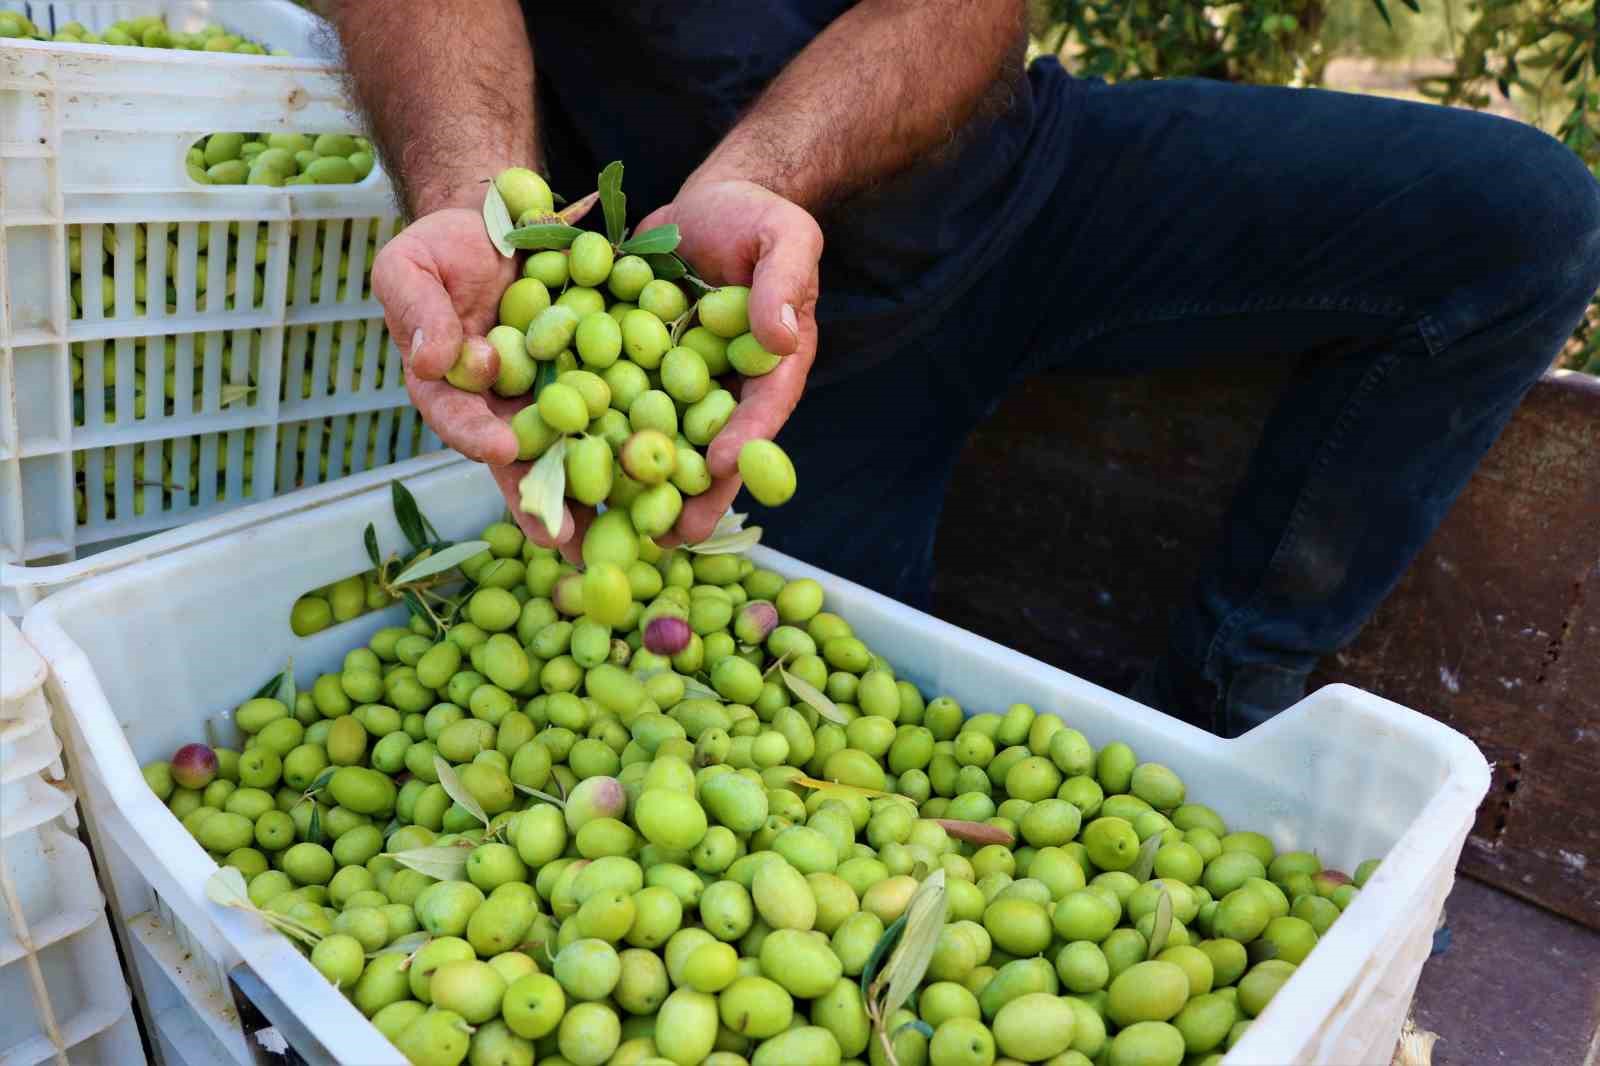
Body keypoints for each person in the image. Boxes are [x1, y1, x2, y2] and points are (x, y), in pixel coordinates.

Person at [329, 1, 1600, 738]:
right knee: (761, 733)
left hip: (1017, 181)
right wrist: (472, 199)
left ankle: (1230, 696)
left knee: (1518, 220)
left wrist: (766, 173)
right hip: (704, 311)